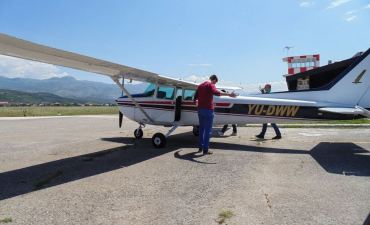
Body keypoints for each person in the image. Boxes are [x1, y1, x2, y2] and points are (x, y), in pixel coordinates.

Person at [195, 75, 237, 155]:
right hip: (208, 110)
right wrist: (229, 94)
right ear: (214, 80)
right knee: (208, 130)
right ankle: (205, 149)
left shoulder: (200, 86)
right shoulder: (211, 84)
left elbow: (196, 97)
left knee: (201, 129)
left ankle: (200, 147)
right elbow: (217, 92)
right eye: (215, 82)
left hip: (200, 110)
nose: (215, 84)